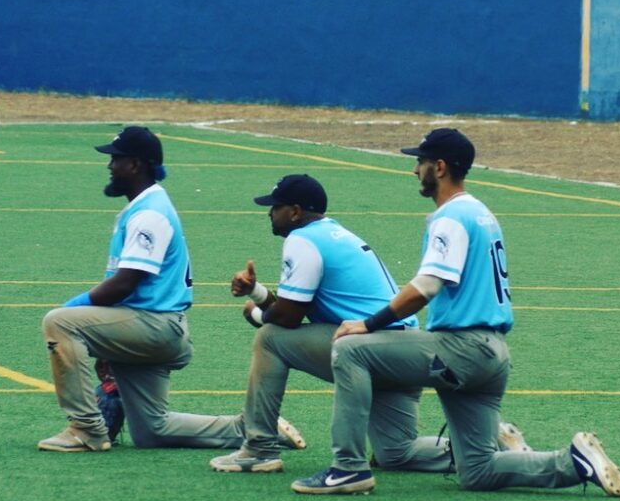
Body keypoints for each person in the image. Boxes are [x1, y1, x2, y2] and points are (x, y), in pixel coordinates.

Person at [292, 128, 620, 497]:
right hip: (493, 355)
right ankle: (574, 461)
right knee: (478, 471)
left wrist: (368, 324)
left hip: (461, 349)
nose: (414, 170)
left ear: (439, 167)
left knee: (349, 348)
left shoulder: (450, 217)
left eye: (420, 162)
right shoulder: (480, 212)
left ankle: (347, 469)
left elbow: (426, 286)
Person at [210, 173, 528, 475]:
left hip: (371, 349)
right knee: (396, 452)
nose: (270, 213)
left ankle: (260, 449)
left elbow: (287, 319)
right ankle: (492, 446)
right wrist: (257, 293)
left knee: (269, 338)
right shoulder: (334, 234)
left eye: (275, 207)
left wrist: (256, 314)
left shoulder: (302, 239)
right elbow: (290, 309)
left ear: (295, 212)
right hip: (402, 350)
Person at [38, 126, 303, 453]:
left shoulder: (150, 214)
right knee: (152, 430)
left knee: (60, 322)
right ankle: (257, 428)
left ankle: (86, 430)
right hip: (151, 325)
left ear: (135, 164)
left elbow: (125, 282)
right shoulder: (146, 208)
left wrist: (73, 309)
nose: (110, 166)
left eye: (116, 159)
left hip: (154, 327)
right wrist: (104, 340)